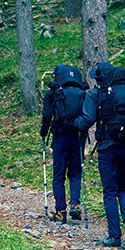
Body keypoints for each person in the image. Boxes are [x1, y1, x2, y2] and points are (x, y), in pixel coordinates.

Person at [75, 62, 125, 248]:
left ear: (99, 77)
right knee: (124, 188)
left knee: (109, 192)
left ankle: (114, 236)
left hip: (107, 147)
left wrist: (76, 125)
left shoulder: (95, 93)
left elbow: (88, 119)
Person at [40, 64, 87, 223]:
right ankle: (75, 204)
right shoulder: (82, 93)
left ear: (57, 76)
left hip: (60, 138)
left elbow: (47, 115)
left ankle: (60, 211)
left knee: (58, 176)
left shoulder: (52, 93)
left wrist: (43, 132)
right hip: (78, 137)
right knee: (75, 173)